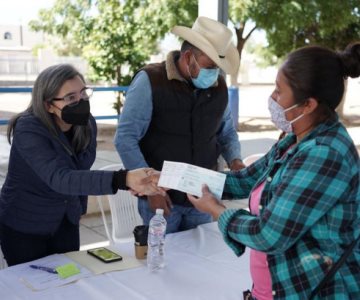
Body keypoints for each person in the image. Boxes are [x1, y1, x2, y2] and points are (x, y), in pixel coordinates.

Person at [187, 43, 360, 299]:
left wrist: (217, 211)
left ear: (308, 104)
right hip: (274, 287)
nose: (272, 98)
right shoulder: (295, 138)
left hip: (315, 289)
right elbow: (245, 180)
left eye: (279, 91)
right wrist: (176, 178)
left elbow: (268, 235)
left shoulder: (324, 153)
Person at [0, 64, 164, 266]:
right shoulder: (28, 129)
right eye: (70, 98)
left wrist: (134, 183)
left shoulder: (87, 124)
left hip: (66, 220)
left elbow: (80, 171)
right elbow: (61, 178)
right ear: (48, 105)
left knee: (69, 279)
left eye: (83, 93)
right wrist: (123, 179)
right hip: (26, 224)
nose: (81, 102)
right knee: (31, 288)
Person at [114, 16, 245, 234]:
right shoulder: (150, 81)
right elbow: (125, 138)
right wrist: (151, 190)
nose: (214, 74)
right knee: (163, 260)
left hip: (203, 196)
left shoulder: (218, 86)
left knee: (201, 261)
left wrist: (236, 161)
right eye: (209, 66)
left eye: (217, 68)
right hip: (162, 198)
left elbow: (227, 132)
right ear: (188, 57)